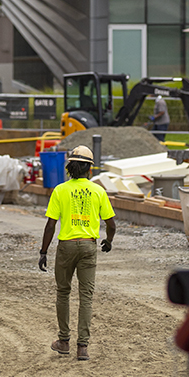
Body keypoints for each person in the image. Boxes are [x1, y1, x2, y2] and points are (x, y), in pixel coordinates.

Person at [38, 144, 116, 361]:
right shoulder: (98, 191)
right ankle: (83, 347)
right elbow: (111, 224)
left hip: (66, 247)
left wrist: (43, 251)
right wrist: (108, 241)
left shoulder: (60, 190)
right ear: (89, 169)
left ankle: (64, 341)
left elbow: (50, 225)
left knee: (63, 293)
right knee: (86, 296)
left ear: (70, 167)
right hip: (89, 246)